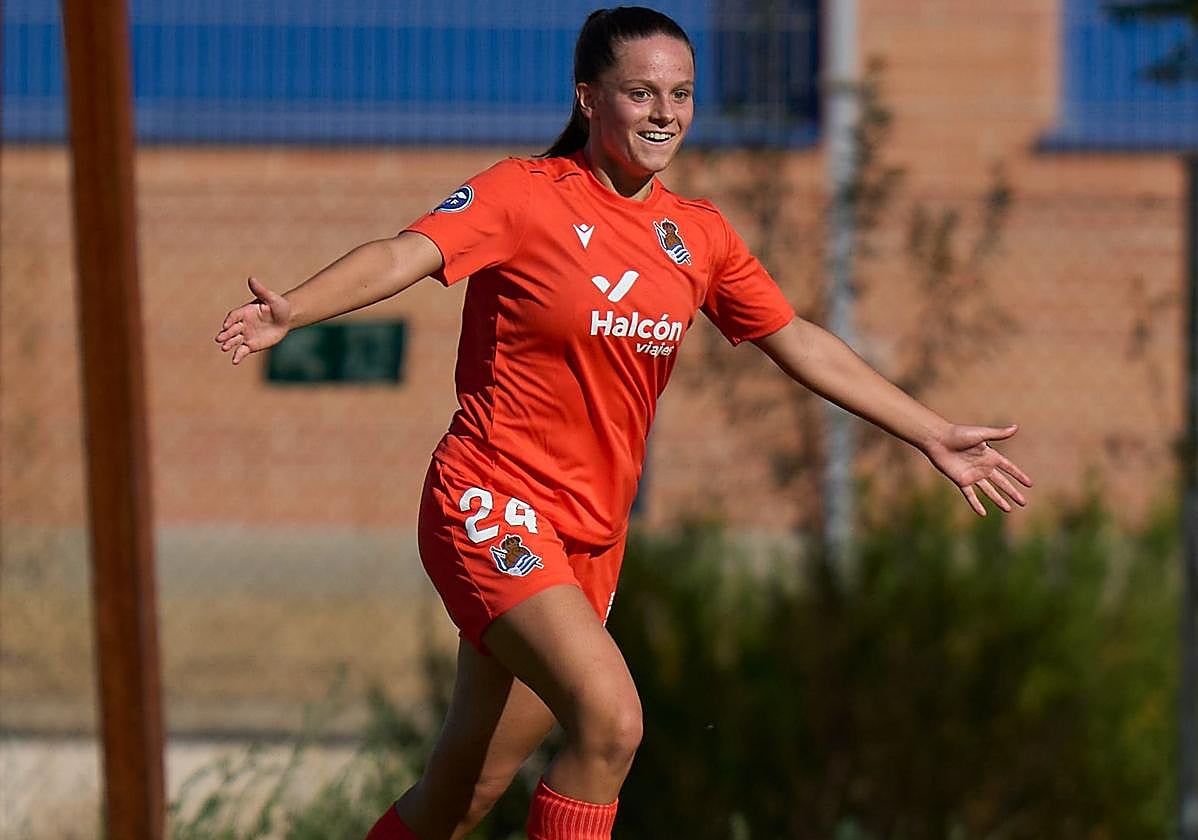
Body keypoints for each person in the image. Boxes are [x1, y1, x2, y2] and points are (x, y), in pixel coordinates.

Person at [214, 7, 1033, 839]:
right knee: (612, 723)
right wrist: (296, 309)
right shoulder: (523, 194)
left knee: (466, 789)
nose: (664, 113)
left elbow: (798, 341)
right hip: (490, 500)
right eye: (640, 93)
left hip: (590, 539)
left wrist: (930, 431)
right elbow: (405, 252)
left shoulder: (698, 235)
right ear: (589, 99)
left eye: (681, 93)